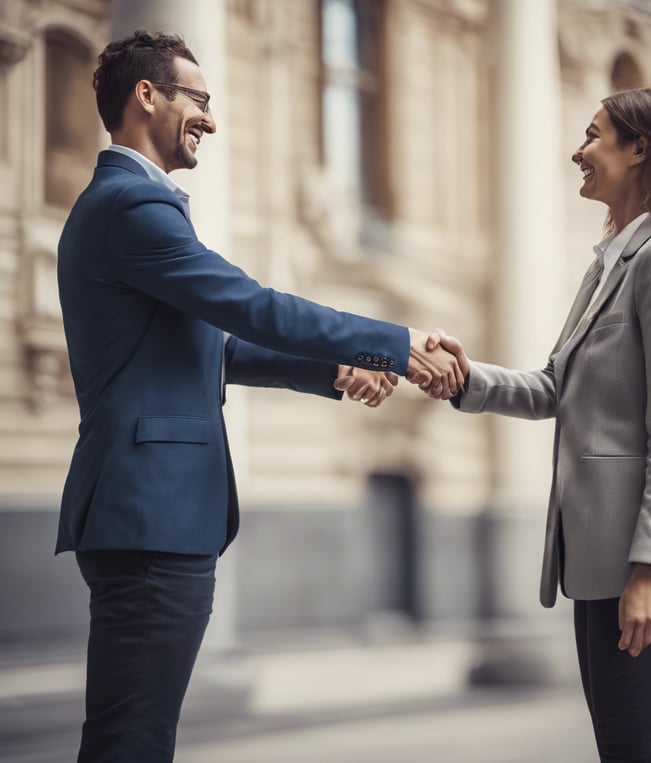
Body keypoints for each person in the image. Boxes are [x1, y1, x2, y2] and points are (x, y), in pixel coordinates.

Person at [57, 30, 461, 763]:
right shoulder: (129, 206)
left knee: (133, 733)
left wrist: (332, 372)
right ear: (146, 95)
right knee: (132, 738)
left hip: (150, 517)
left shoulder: (128, 205)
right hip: (152, 519)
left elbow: (218, 346)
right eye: (199, 99)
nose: (210, 118)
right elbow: (251, 305)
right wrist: (393, 342)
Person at [422, 89, 651, 761]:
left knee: (639, 749)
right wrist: (466, 377)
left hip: (633, 564)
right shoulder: (609, 263)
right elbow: (553, 388)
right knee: (622, 749)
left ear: (640, 149)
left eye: (593, 136)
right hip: (595, 560)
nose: (578, 151)